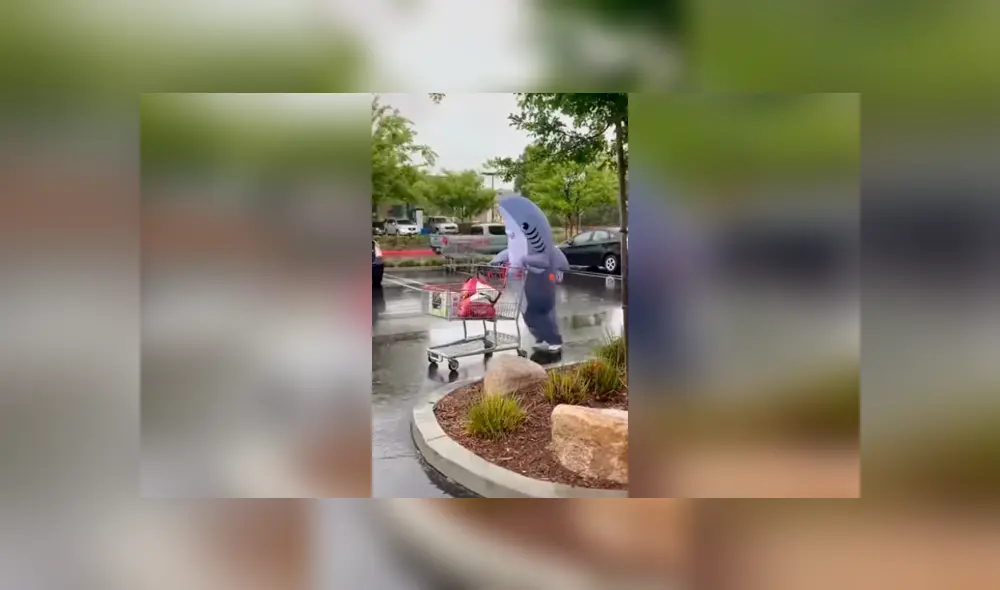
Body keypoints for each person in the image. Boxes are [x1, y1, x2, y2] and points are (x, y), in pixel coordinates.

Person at [489, 195, 569, 353]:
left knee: (543, 310)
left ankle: (554, 339)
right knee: (528, 314)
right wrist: (498, 261)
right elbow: (510, 253)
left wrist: (558, 269)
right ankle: (540, 337)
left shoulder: (542, 246)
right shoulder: (514, 239)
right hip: (522, 282)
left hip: (540, 282)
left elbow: (550, 255)